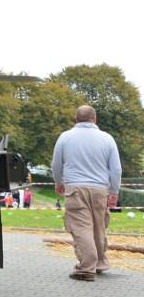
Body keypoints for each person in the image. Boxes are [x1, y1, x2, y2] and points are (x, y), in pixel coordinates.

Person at [51, 105, 122, 282]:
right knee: (99, 227)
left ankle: (86, 268)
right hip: (100, 189)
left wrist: (58, 182)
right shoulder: (107, 138)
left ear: (76, 119)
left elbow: (56, 164)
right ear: (95, 118)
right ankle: (100, 263)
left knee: (82, 228)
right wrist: (114, 191)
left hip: (75, 188)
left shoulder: (65, 137)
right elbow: (116, 169)